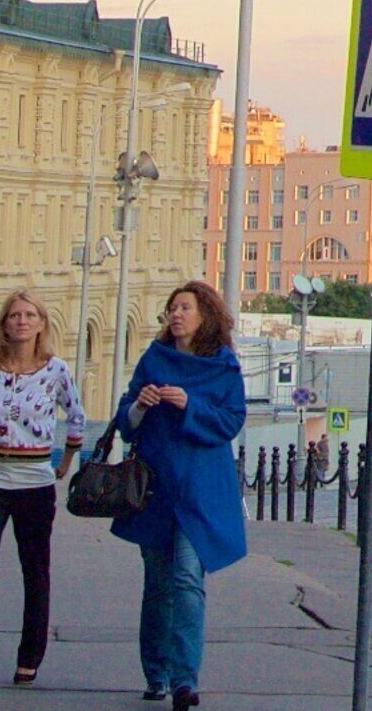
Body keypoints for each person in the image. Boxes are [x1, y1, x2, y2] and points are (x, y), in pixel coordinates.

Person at [112, 281, 248, 710]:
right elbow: (125, 421)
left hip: (201, 490)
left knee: (187, 578)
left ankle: (185, 680)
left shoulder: (223, 365)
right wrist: (141, 405)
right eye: (172, 308)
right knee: (157, 585)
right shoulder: (154, 358)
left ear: (205, 315)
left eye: (185, 307)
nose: (176, 314)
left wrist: (190, 404)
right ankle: (156, 673)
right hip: (155, 488)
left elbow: (231, 421)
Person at [0, 291, 84, 695]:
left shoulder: (56, 370)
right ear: (4, 325)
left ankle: (29, 658)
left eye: (30, 315)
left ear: (42, 324)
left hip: (34, 484)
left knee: (35, 572)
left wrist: (66, 461)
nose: (22, 321)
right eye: (14, 316)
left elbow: (76, 416)